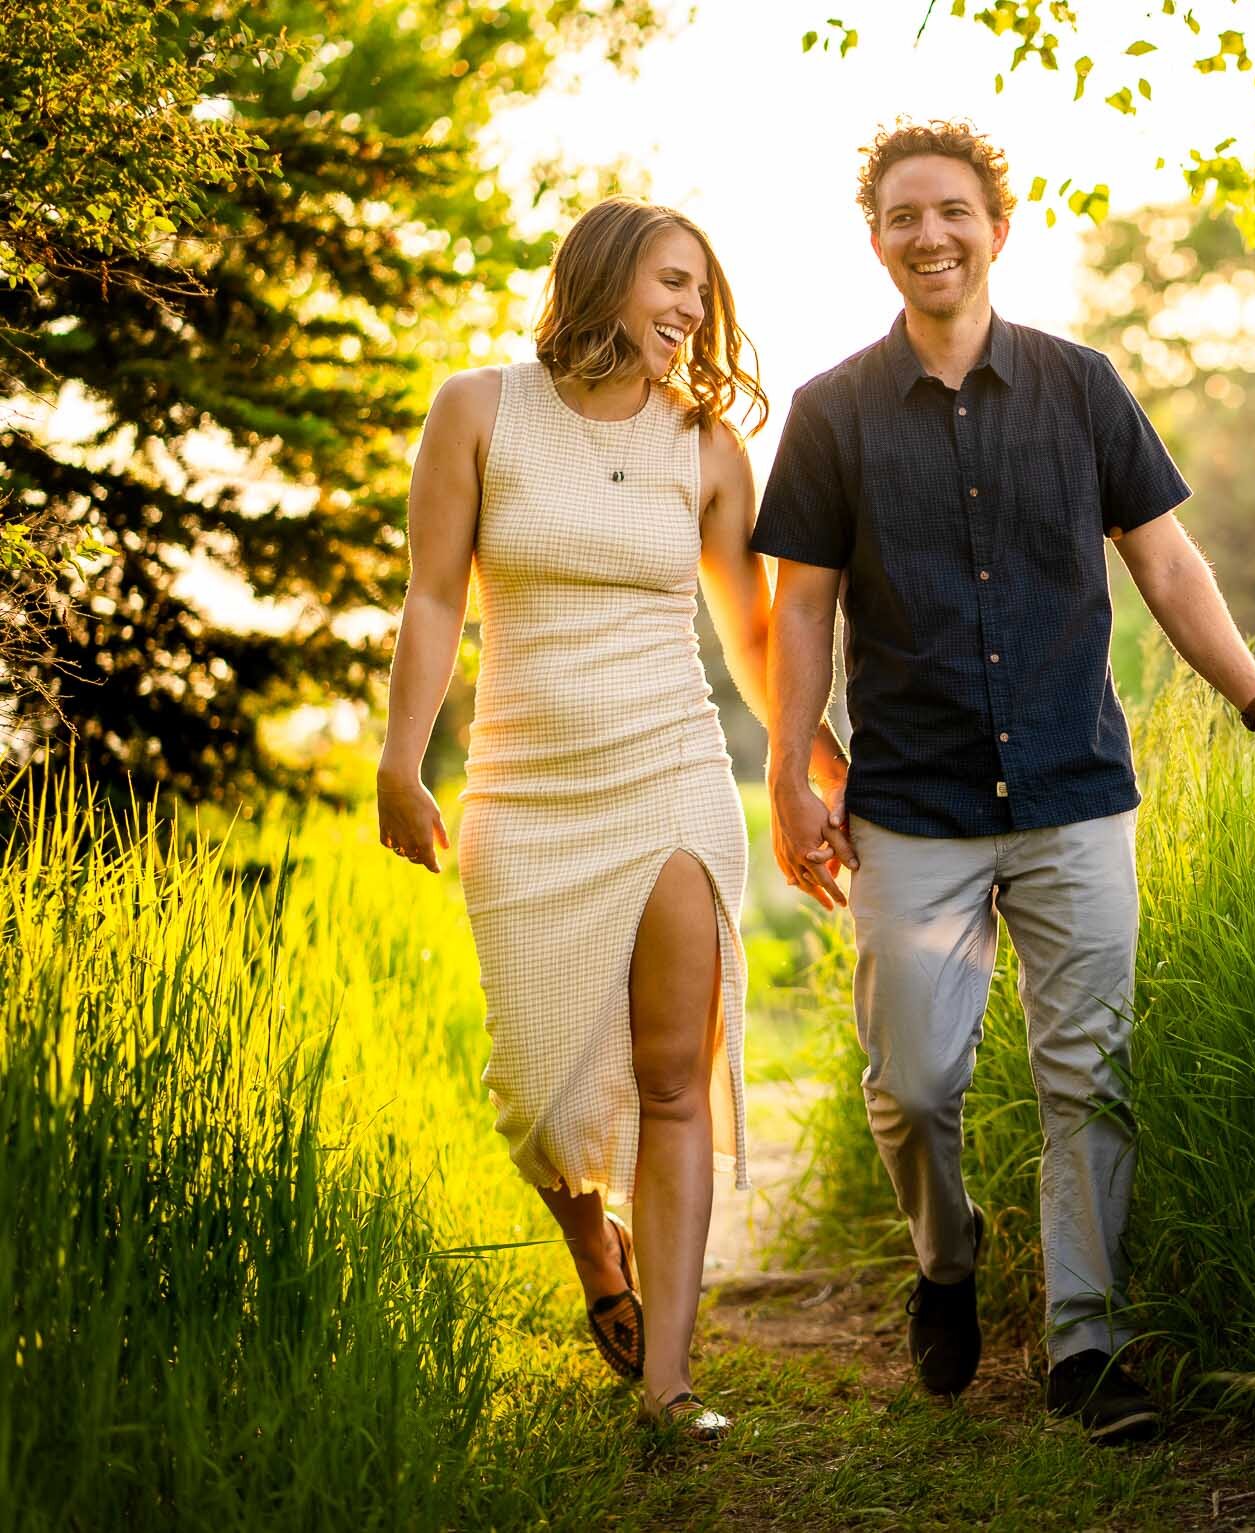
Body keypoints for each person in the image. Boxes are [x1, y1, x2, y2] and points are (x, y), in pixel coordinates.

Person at [754, 121, 1255, 1445]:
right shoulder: (829, 415)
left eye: (953, 211)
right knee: (914, 1085)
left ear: (1001, 224)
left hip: (1074, 793)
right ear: (874, 240)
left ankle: (1088, 1346)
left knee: (1086, 1075)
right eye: (903, 217)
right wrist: (791, 775)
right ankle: (946, 1264)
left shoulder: (1083, 387)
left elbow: (1167, 565)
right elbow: (799, 615)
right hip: (912, 804)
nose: (930, 235)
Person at [375, 196, 848, 1440]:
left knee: (673, 1082)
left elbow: (749, 630)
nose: (690, 309)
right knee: (535, 1092)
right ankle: (598, 1251)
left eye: (702, 289)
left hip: (671, 771)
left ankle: (672, 1382)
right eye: (670, 282)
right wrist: (399, 760)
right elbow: (433, 599)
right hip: (524, 788)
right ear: (600, 279)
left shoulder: (707, 446)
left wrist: (810, 762)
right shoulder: (477, 411)